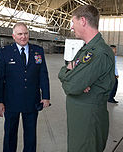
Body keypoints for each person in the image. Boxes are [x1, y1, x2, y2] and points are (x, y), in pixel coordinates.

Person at [58, 5, 115, 152]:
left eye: (73, 22)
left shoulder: (98, 52)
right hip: (80, 121)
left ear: (83, 21)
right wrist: (69, 75)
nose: (71, 27)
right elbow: (65, 71)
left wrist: (72, 78)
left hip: (89, 123)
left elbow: (72, 86)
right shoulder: (86, 49)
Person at [0, 22, 50, 152]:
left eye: (25, 33)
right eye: (20, 34)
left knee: (30, 135)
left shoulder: (38, 51)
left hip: (32, 101)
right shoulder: (5, 52)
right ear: (14, 36)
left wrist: (46, 96)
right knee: (10, 134)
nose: (23, 37)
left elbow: (43, 74)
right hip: (11, 101)